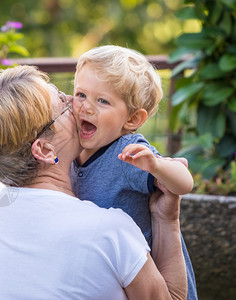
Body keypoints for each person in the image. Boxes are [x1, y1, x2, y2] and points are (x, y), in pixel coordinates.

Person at [0, 65, 187, 299]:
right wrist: (167, 220)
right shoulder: (110, 232)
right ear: (44, 149)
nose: (75, 104)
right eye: (63, 105)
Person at [70, 45, 197, 299]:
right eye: (81, 94)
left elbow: (184, 183)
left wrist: (157, 165)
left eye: (102, 100)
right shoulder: (71, 146)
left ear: (131, 120)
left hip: (154, 280)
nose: (85, 107)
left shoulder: (128, 152)